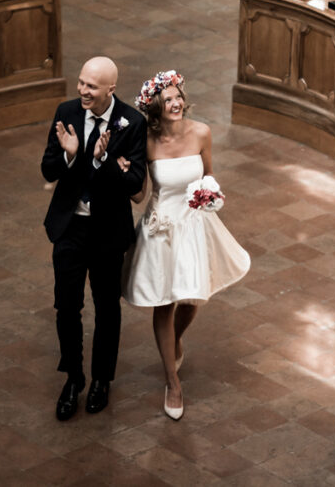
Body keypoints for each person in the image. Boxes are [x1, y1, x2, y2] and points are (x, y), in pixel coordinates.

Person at [122, 71, 249, 420]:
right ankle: (172, 381)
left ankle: (175, 340)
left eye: (178, 96)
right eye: (167, 100)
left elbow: (208, 176)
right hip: (161, 228)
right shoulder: (146, 141)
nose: (175, 103)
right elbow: (140, 195)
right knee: (164, 303)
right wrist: (123, 172)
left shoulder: (201, 133)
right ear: (155, 107)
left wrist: (209, 195)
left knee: (193, 299)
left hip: (194, 224)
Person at [41, 57, 147, 421]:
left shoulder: (132, 123)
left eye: (92, 86)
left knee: (107, 308)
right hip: (69, 228)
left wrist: (102, 162)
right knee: (66, 307)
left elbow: (134, 185)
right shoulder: (66, 111)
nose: (83, 91)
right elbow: (47, 168)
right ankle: (73, 378)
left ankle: (102, 378)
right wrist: (71, 157)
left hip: (107, 231)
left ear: (110, 90)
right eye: (82, 83)